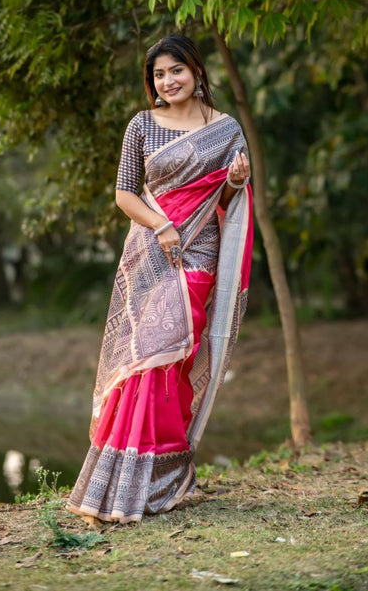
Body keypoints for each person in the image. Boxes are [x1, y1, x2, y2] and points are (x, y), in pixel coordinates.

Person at [67, 33, 253, 524]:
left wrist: (234, 182)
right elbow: (125, 195)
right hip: (150, 253)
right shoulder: (142, 126)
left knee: (168, 358)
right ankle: (121, 478)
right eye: (158, 75)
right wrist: (162, 224)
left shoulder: (227, 130)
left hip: (198, 256)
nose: (168, 81)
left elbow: (231, 205)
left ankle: (161, 476)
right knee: (141, 359)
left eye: (177, 70)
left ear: (196, 71)